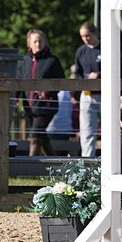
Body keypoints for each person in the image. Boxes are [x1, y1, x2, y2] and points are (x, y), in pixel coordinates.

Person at [20, 29, 65, 156]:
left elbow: (61, 81)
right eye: (35, 41)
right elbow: (19, 80)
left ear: (45, 42)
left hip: (46, 105)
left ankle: (30, 164)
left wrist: (47, 92)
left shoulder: (52, 61)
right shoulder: (25, 60)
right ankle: (54, 163)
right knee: (41, 135)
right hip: (28, 106)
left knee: (34, 136)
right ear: (29, 44)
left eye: (40, 41)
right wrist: (16, 97)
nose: (38, 44)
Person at [72, 21, 102, 157]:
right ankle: (87, 163)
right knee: (87, 132)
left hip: (104, 95)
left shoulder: (106, 48)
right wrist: (76, 92)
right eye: (82, 36)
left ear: (96, 33)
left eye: (88, 35)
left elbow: (117, 70)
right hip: (86, 95)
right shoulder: (81, 51)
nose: (85, 39)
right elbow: (77, 72)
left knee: (111, 130)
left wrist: (99, 75)